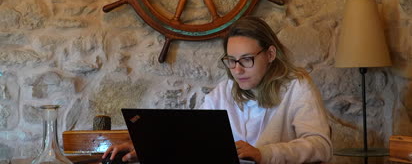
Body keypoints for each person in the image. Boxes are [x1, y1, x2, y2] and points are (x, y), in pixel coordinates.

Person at [103, 16, 332, 164]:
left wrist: (265, 154)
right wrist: (145, 148)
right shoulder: (223, 91)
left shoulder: (296, 85)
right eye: (231, 60)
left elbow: (321, 147)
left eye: (247, 60)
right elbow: (189, 140)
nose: (237, 70)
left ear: (270, 54)